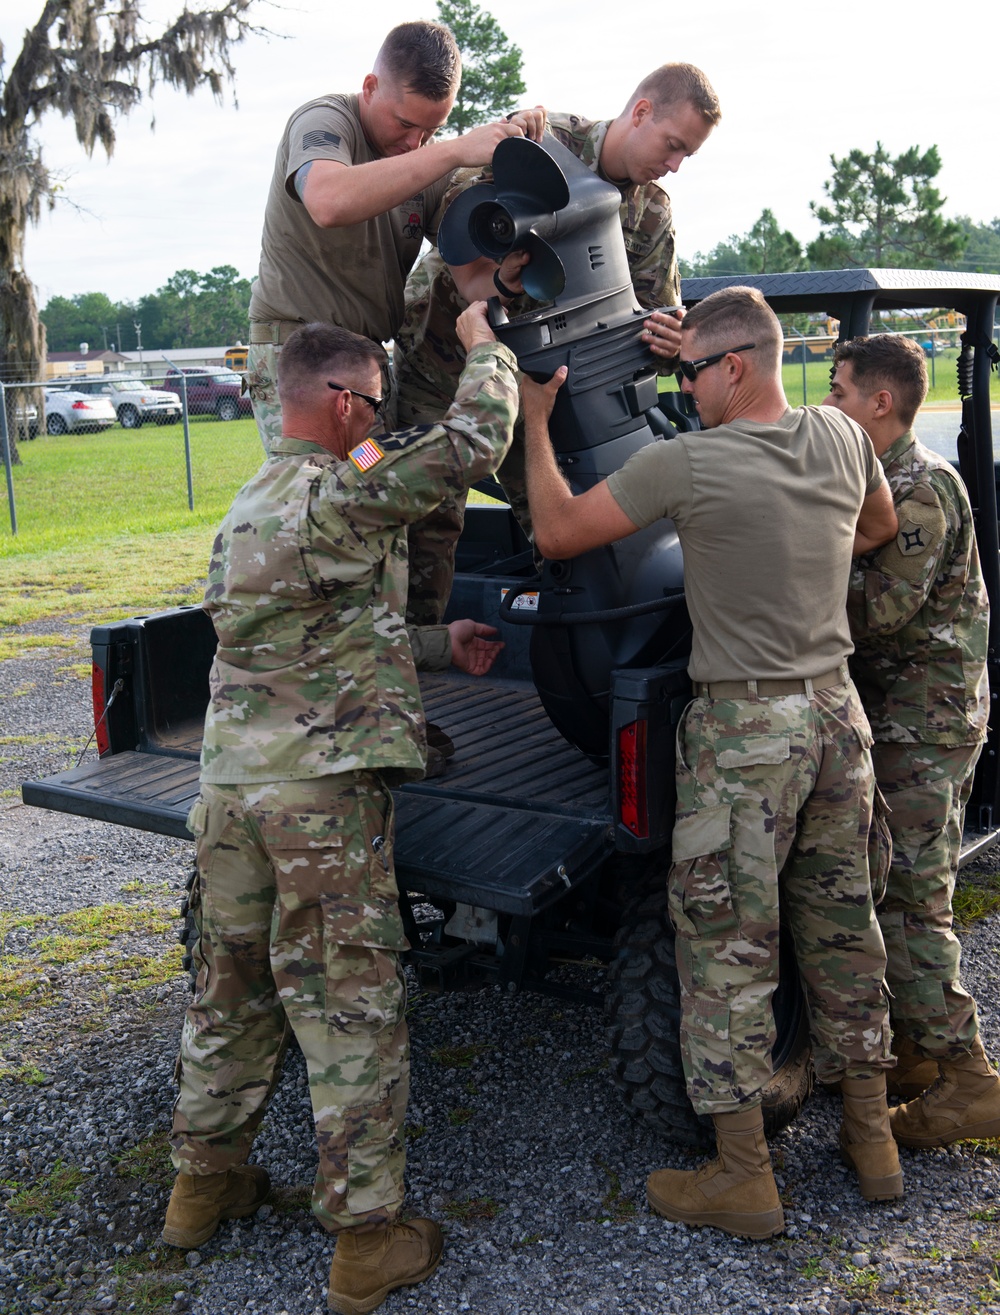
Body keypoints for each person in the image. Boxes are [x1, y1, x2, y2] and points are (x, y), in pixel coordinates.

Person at [520, 285, 902, 1237]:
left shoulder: (685, 463)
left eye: (690, 371)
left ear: (733, 366)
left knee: (727, 949)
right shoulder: (841, 438)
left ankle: (743, 1174)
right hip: (836, 718)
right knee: (843, 930)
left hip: (748, 735)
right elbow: (880, 528)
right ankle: (872, 1141)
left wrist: (533, 424)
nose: (682, 388)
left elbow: (559, 531)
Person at [161, 304, 519, 1314]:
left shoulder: (252, 502)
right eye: (367, 405)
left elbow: (310, 636)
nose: (373, 424)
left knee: (229, 991)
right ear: (336, 400)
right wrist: (487, 346)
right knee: (347, 1005)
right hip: (316, 806)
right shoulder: (341, 488)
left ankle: (202, 1186)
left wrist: (442, 645)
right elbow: (470, 446)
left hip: (232, 794)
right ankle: (367, 1238)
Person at [393, 61, 721, 624]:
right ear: (640, 112)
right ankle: (416, 674)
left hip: (544, 391)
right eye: (672, 146)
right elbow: (462, 225)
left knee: (566, 524)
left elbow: (649, 321)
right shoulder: (545, 142)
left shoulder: (652, 213)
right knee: (430, 523)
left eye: (686, 155)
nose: (674, 166)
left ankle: (580, 659)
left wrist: (671, 343)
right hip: (444, 361)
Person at [823, 333, 1000, 1147]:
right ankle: (919, 1058)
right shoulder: (885, 480)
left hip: (923, 726)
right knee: (893, 884)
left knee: (909, 898)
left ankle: (968, 1077)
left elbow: (877, 612)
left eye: (838, 390)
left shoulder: (921, 488)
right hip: (906, 717)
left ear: (880, 403)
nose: (828, 403)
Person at [246, 19, 544, 453]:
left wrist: (503, 278)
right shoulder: (327, 119)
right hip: (299, 356)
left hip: (366, 364)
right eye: (404, 123)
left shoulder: (426, 162)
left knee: (372, 497)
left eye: (430, 130)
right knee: (321, 498)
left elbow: (471, 279)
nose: (414, 143)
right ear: (370, 87)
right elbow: (328, 202)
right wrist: (455, 150)